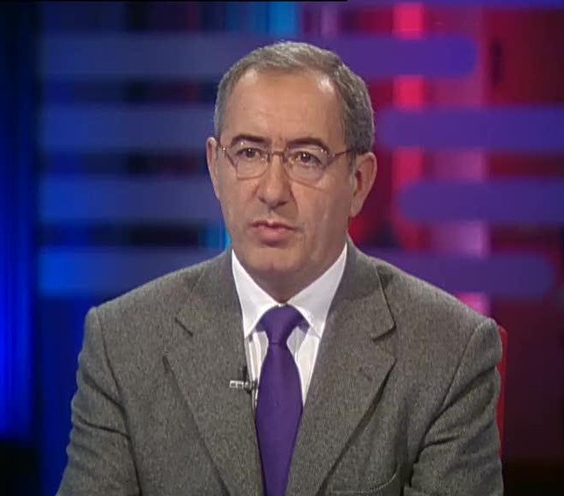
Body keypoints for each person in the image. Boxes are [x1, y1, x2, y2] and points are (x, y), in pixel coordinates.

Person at [58, 41, 504, 495]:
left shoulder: (449, 352)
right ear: (215, 167)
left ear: (358, 182)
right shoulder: (122, 344)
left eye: (306, 158)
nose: (272, 191)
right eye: (249, 153)